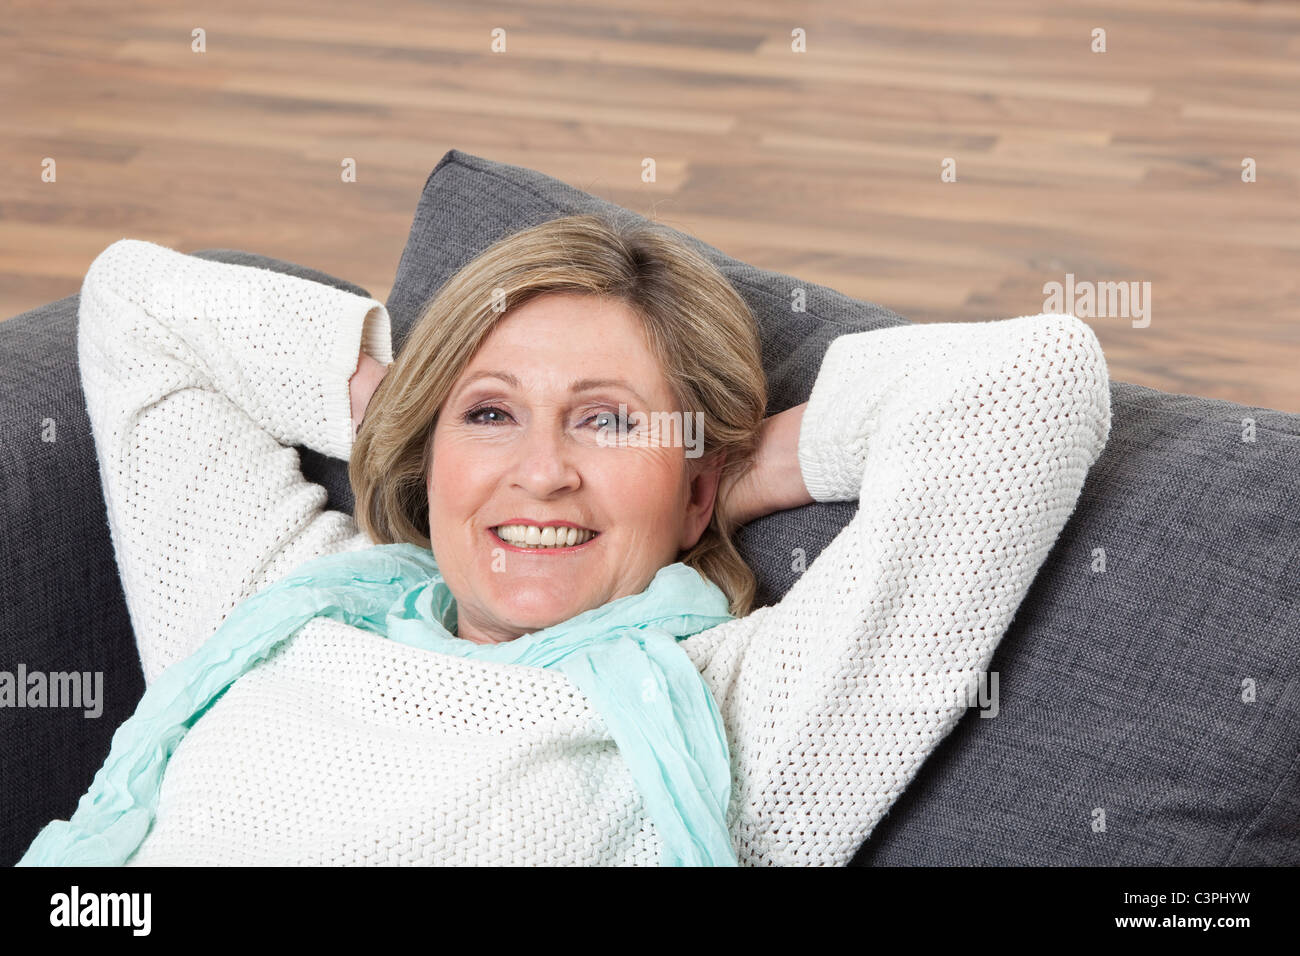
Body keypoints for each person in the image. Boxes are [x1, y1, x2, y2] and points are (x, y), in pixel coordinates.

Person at [26, 213, 1111, 866]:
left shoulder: (736, 714)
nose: (540, 469)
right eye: (492, 414)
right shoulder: (276, 609)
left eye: (606, 421)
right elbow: (137, 303)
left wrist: (735, 470)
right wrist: (421, 423)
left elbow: (1030, 387)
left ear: (695, 490)